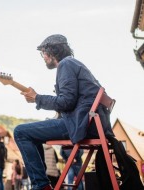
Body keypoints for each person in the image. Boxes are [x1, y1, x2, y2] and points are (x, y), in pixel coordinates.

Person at [13, 34, 114, 190]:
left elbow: (66, 102)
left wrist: (37, 98)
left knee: (20, 132)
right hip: (90, 124)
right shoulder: (74, 64)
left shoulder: (65, 65)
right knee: (33, 133)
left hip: (81, 125)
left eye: (43, 53)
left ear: (53, 51)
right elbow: (69, 102)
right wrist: (38, 98)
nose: (43, 57)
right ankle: (42, 183)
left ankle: (41, 186)